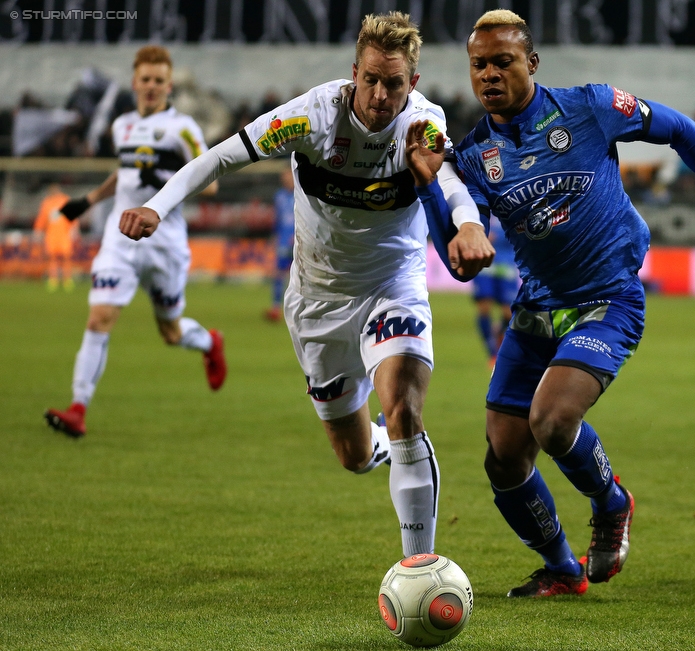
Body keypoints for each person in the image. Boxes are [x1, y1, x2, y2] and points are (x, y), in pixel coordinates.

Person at [117, 12, 495, 559]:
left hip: (393, 284)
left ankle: (420, 566)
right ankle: (385, 446)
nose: (381, 93)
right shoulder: (310, 117)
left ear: (412, 83)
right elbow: (223, 156)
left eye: (394, 82)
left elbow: (451, 180)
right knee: (353, 454)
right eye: (371, 79)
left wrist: (468, 225)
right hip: (317, 300)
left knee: (405, 410)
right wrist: (156, 207)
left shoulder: (423, 123)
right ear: (354, 73)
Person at [448, 10, 695, 598]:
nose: (490, 75)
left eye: (503, 61)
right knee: (503, 459)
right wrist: (446, 208)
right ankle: (561, 568)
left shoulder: (589, 107)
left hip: (608, 298)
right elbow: (456, 237)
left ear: (532, 63)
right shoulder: (475, 155)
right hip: (537, 307)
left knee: (552, 421)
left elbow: (681, 128)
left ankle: (611, 502)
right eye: (479, 65)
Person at [44, 45, 226, 439]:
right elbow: (126, 173)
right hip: (120, 240)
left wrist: (166, 171)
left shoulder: (183, 129)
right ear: (134, 82)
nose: (151, 86)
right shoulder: (122, 125)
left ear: (168, 84)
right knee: (99, 318)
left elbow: (210, 183)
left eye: (159, 80)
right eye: (145, 79)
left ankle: (210, 342)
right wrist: (88, 200)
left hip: (164, 242)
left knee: (171, 333)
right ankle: (78, 408)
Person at [472, 214, 518, 362]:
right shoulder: (480, 198)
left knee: (508, 312)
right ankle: (491, 352)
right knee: (484, 306)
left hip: (507, 262)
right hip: (484, 261)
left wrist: (497, 235)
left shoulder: (511, 200)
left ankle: (499, 336)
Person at [32, 182, 76, 292]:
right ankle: (53, 279)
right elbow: (42, 218)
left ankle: (67, 279)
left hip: (64, 234)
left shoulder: (65, 200)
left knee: (66, 257)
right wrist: (38, 230)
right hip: (51, 235)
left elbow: (72, 215)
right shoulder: (47, 203)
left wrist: (74, 229)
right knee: (52, 258)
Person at [265, 167, 296, 322]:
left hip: (299, 242)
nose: (286, 179)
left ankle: (296, 308)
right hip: (283, 240)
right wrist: (275, 237)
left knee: (298, 276)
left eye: (288, 176)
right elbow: (277, 219)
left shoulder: (301, 195)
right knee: (278, 274)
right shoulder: (279, 196)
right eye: (284, 176)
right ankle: (275, 307)